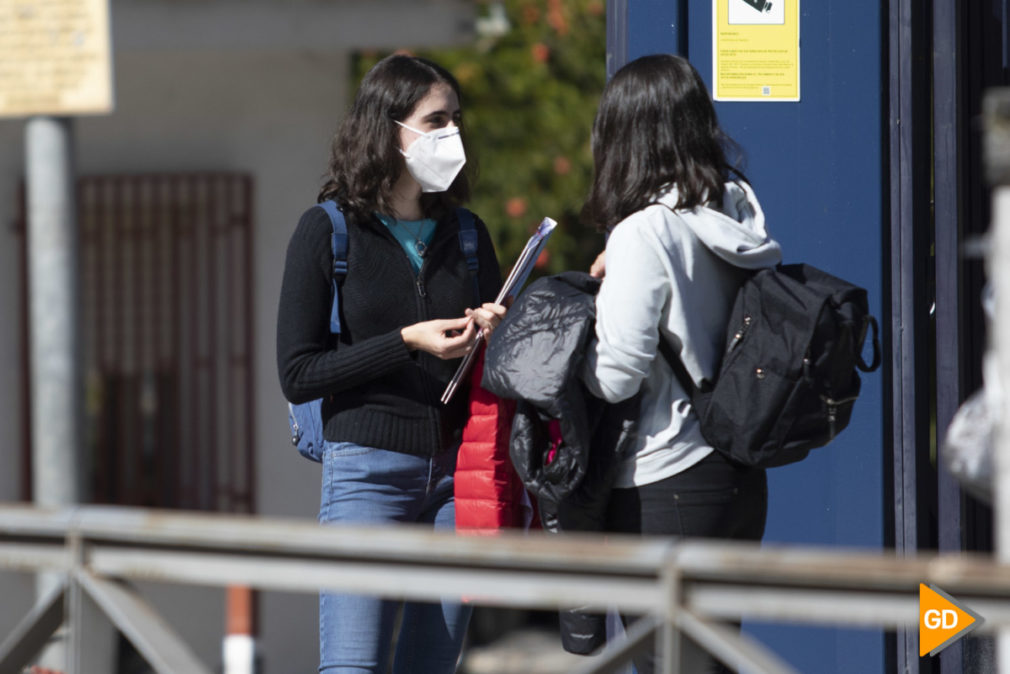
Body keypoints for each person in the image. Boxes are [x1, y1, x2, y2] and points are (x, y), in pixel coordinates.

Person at [276, 54, 505, 674]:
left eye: (456, 119)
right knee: (353, 666)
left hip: (459, 477)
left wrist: (486, 332)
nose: (451, 134)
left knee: (429, 667)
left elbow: (490, 353)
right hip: (366, 474)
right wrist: (406, 340)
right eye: (435, 121)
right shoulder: (327, 231)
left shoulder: (466, 232)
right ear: (388, 128)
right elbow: (298, 372)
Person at [579, 54, 782, 673]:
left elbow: (616, 374)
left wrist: (564, 353)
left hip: (663, 478)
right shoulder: (737, 207)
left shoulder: (641, 233)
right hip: (738, 477)